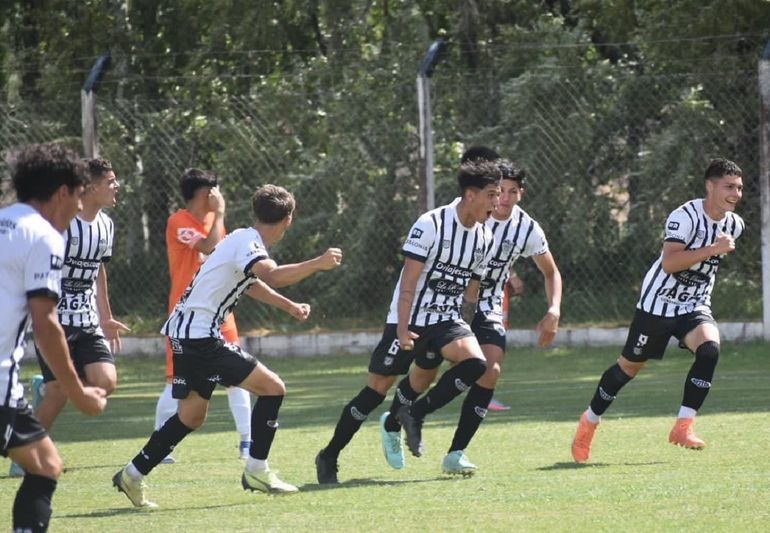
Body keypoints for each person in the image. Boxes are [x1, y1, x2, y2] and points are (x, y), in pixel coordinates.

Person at [112, 184, 342, 507]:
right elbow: (272, 276)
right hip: (200, 337)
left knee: (191, 416)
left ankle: (132, 474)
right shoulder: (247, 243)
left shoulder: (240, 240)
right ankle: (257, 470)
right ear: (288, 220)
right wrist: (317, 262)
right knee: (273, 388)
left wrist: (288, 306)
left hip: (187, 333)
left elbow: (252, 284)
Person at [378, 146, 562, 475]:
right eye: (497, 191)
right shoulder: (467, 218)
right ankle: (394, 420)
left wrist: (554, 309)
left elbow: (551, 271)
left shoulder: (527, 229)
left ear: (521, 194)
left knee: (488, 370)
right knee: (424, 373)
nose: (502, 199)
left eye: (510, 192)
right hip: (450, 303)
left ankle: (455, 452)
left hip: (486, 305)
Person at [315, 160, 500, 484]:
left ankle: (413, 414)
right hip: (410, 318)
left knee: (476, 364)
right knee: (375, 391)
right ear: (470, 195)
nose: (496, 203)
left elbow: (471, 291)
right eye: (491, 195)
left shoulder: (484, 238)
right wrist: (401, 329)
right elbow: (409, 282)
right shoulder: (431, 224)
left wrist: (465, 326)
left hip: (446, 319)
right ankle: (329, 455)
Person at [571, 158, 744, 463]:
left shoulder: (734, 224)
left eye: (740, 188)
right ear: (710, 186)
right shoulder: (685, 216)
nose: (736, 193)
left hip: (694, 304)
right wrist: (713, 249)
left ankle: (683, 425)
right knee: (629, 368)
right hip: (658, 304)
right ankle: (590, 420)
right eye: (729, 186)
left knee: (709, 350)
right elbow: (670, 263)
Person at [1, 143, 107, 532]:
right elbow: (46, 325)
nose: (80, 207)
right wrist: (77, 392)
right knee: (45, 467)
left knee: (45, 463)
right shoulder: (43, 236)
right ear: (63, 192)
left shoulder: (4, 222)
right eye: (79, 195)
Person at [154, 168, 252, 462]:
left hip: (220, 312)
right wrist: (220, 214)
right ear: (206, 193)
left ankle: (247, 440)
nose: (221, 196)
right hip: (187, 317)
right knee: (175, 381)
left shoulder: (214, 221)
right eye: (217, 191)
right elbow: (208, 246)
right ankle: (160, 441)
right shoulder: (178, 222)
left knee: (238, 376)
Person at [31, 158, 128, 433]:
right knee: (58, 392)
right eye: (110, 182)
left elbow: (99, 270)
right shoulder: (61, 223)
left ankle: (50, 385)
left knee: (106, 382)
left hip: (88, 321)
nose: (117, 186)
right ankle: (26, 453)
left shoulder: (106, 225)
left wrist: (106, 317)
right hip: (54, 320)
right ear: (90, 187)